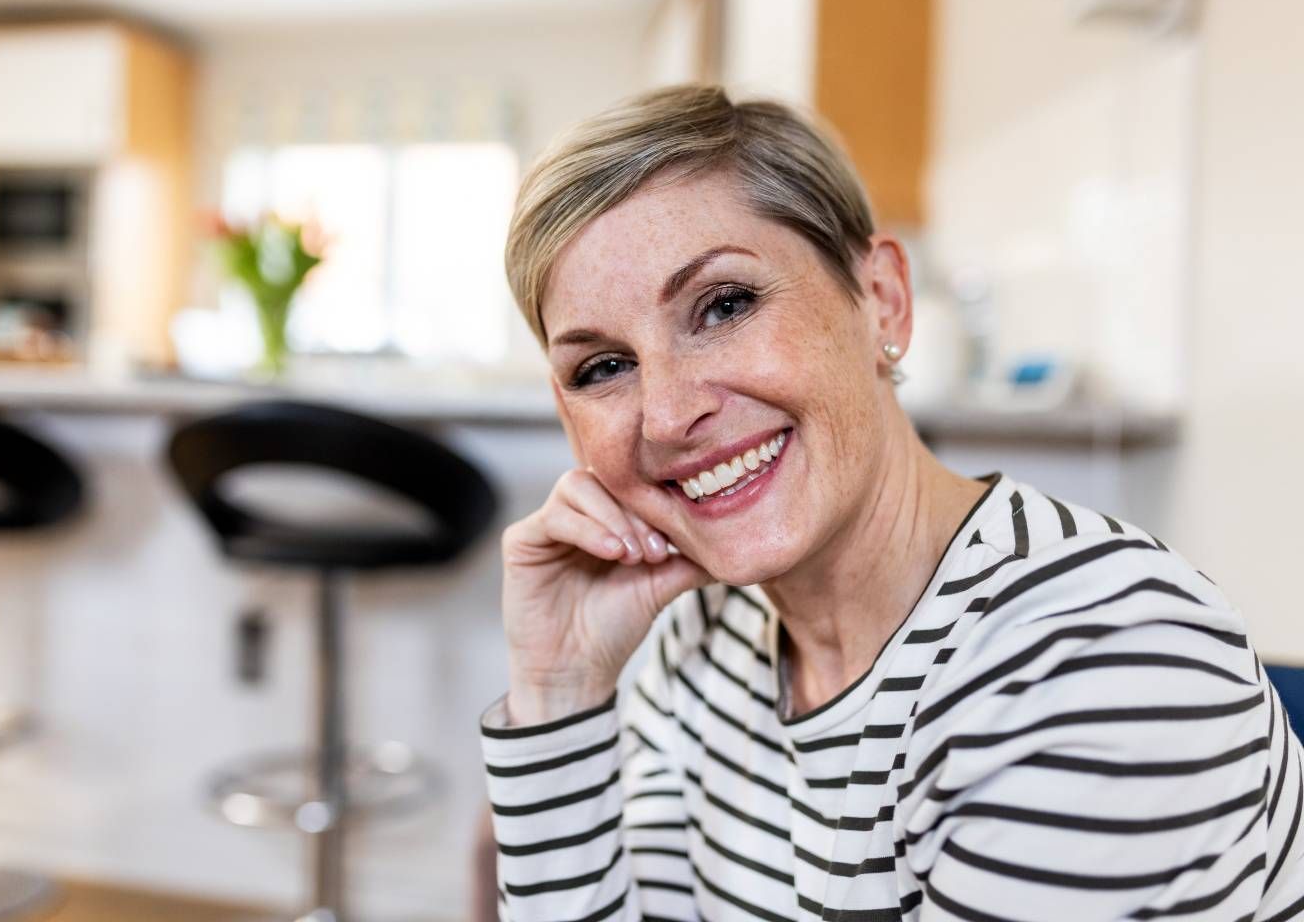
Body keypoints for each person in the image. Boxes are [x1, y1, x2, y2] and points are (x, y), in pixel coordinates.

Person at [479, 84, 1304, 922]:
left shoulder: (1097, 663)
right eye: (603, 368)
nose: (666, 414)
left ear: (883, 301)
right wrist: (560, 693)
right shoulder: (702, 643)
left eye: (724, 306)